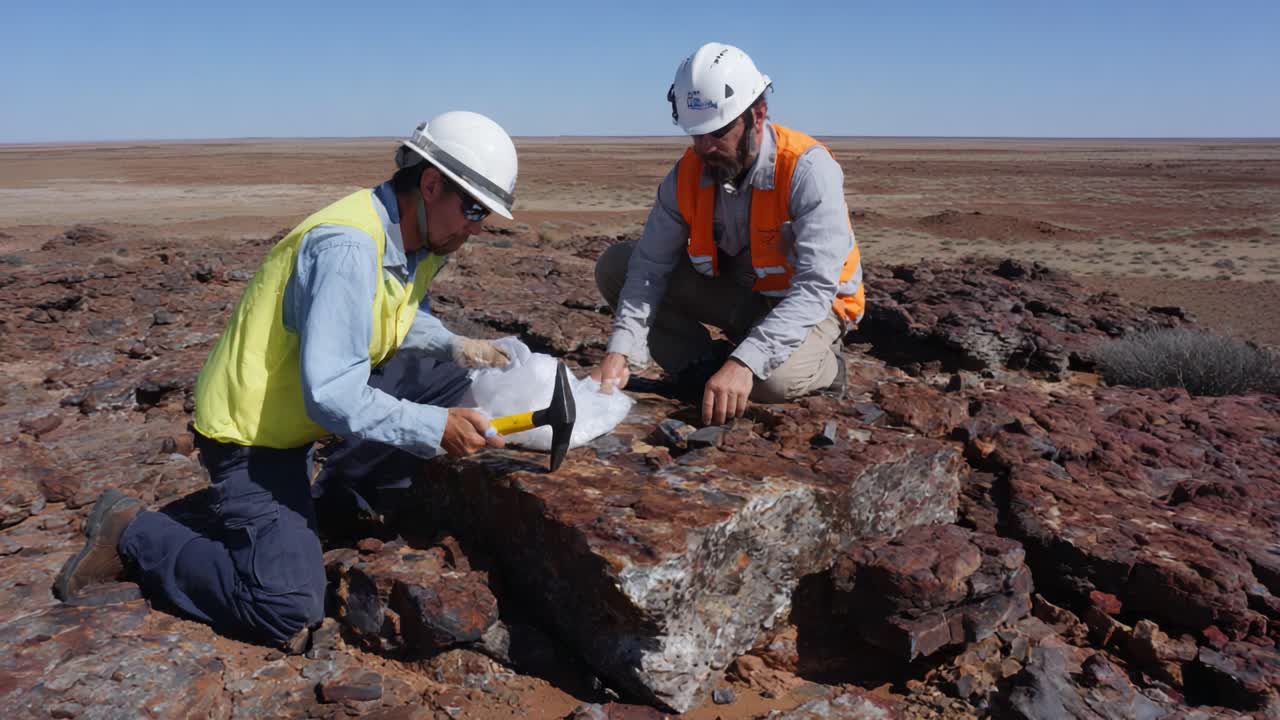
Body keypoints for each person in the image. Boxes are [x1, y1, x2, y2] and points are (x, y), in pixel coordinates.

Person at [54, 111, 519, 649]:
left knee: (443, 379)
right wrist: (436, 428)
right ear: (432, 184)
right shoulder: (348, 247)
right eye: (474, 209)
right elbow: (333, 395)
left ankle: (340, 497)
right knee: (286, 607)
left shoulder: (415, 238)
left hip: (299, 422)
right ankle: (133, 530)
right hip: (251, 436)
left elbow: (391, 314)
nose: (478, 226)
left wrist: (458, 347)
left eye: (485, 215)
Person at [592, 42, 865, 425]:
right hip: (744, 301)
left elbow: (815, 288)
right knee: (616, 266)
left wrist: (746, 362)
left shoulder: (807, 170)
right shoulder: (685, 175)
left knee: (769, 383)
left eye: (718, 131)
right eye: (695, 134)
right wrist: (618, 353)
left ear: (757, 115)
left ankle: (828, 368)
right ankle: (703, 368)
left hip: (814, 307)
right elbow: (649, 268)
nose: (706, 147)